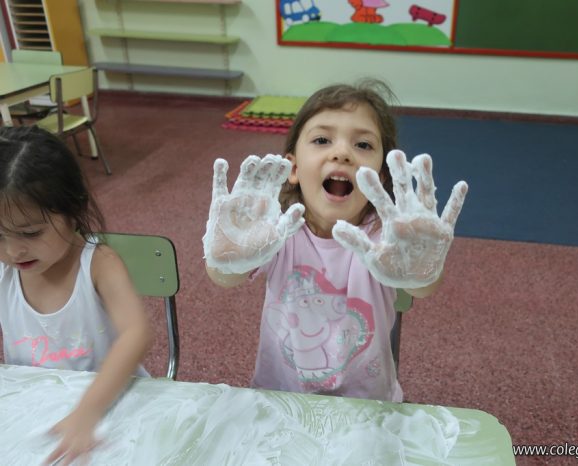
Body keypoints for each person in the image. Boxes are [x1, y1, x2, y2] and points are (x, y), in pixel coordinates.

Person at [203, 79, 468, 402]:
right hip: (281, 399)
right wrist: (228, 258)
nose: (342, 153)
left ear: (380, 177)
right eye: (322, 140)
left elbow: (423, 288)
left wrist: (420, 271)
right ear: (293, 168)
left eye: (363, 145)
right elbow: (225, 278)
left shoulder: (385, 238)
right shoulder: (278, 230)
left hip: (368, 404)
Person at [0, 126, 152, 464]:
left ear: (73, 208)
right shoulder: (5, 269)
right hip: (38, 408)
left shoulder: (99, 264)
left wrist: (88, 411)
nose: (12, 250)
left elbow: (136, 333)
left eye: (30, 233)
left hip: (109, 406)